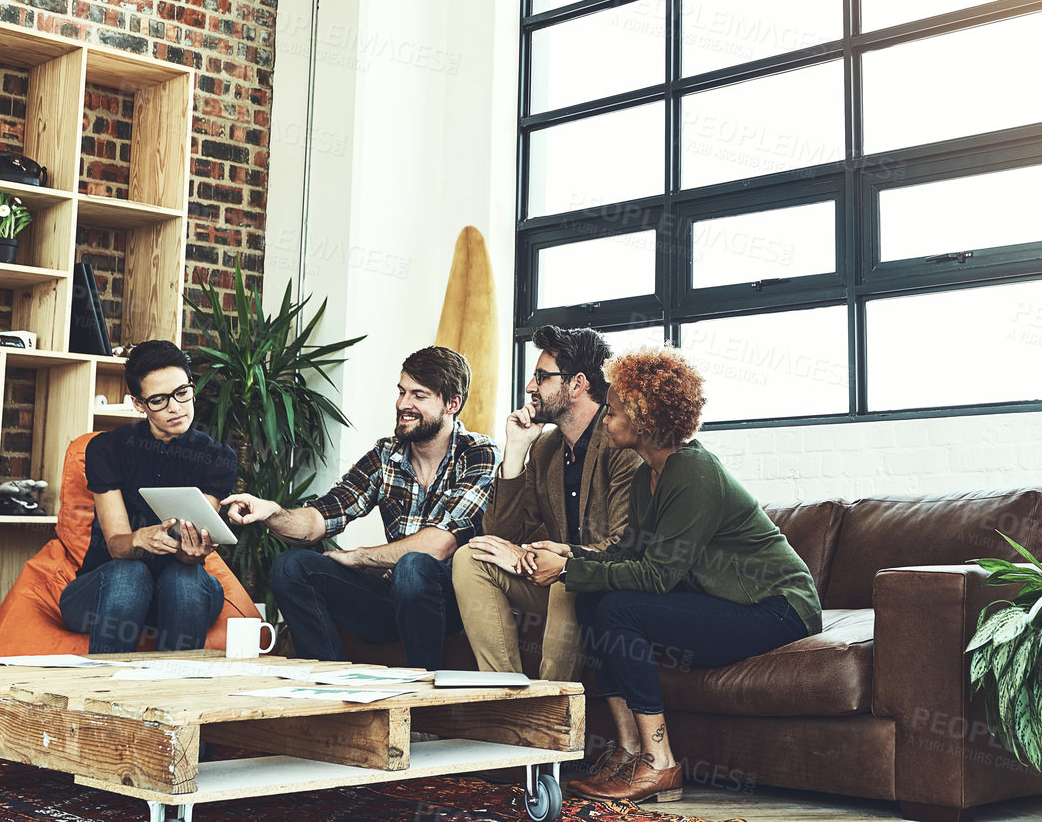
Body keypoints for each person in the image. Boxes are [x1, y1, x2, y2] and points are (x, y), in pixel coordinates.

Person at [521, 346, 821, 805]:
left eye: (615, 411)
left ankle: (659, 763)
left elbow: (658, 576)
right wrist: (570, 558)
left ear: (646, 419)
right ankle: (627, 752)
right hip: (734, 604)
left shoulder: (693, 472)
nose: (605, 419)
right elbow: (627, 551)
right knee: (588, 598)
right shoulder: (649, 475)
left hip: (778, 608)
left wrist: (566, 568)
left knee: (620, 608)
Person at [223, 346, 497, 669]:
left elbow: (440, 545)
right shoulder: (386, 455)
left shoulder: (478, 453)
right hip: (392, 598)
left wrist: (360, 557)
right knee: (290, 567)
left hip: (449, 602)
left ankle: (424, 698)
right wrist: (272, 512)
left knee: (412, 569)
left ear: (453, 404)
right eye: (401, 392)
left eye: (418, 396)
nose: (402, 404)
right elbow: (320, 518)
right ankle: (330, 684)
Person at [453, 325, 639, 680]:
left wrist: (559, 559)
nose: (529, 388)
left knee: (565, 577)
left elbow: (623, 545)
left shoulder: (619, 442)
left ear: (577, 383)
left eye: (541, 377)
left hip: (602, 580)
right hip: (556, 578)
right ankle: (504, 694)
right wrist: (516, 451)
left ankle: (549, 708)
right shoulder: (546, 448)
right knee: (473, 556)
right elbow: (500, 534)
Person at [59, 340, 234, 653]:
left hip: (178, 596)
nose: (175, 407)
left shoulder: (217, 457)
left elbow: (189, 550)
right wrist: (139, 539)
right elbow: (115, 545)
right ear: (138, 404)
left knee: (185, 577)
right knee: (131, 573)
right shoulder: (107, 449)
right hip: (105, 590)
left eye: (182, 392)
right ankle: (104, 693)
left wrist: (192, 552)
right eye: (158, 400)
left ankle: (175, 694)